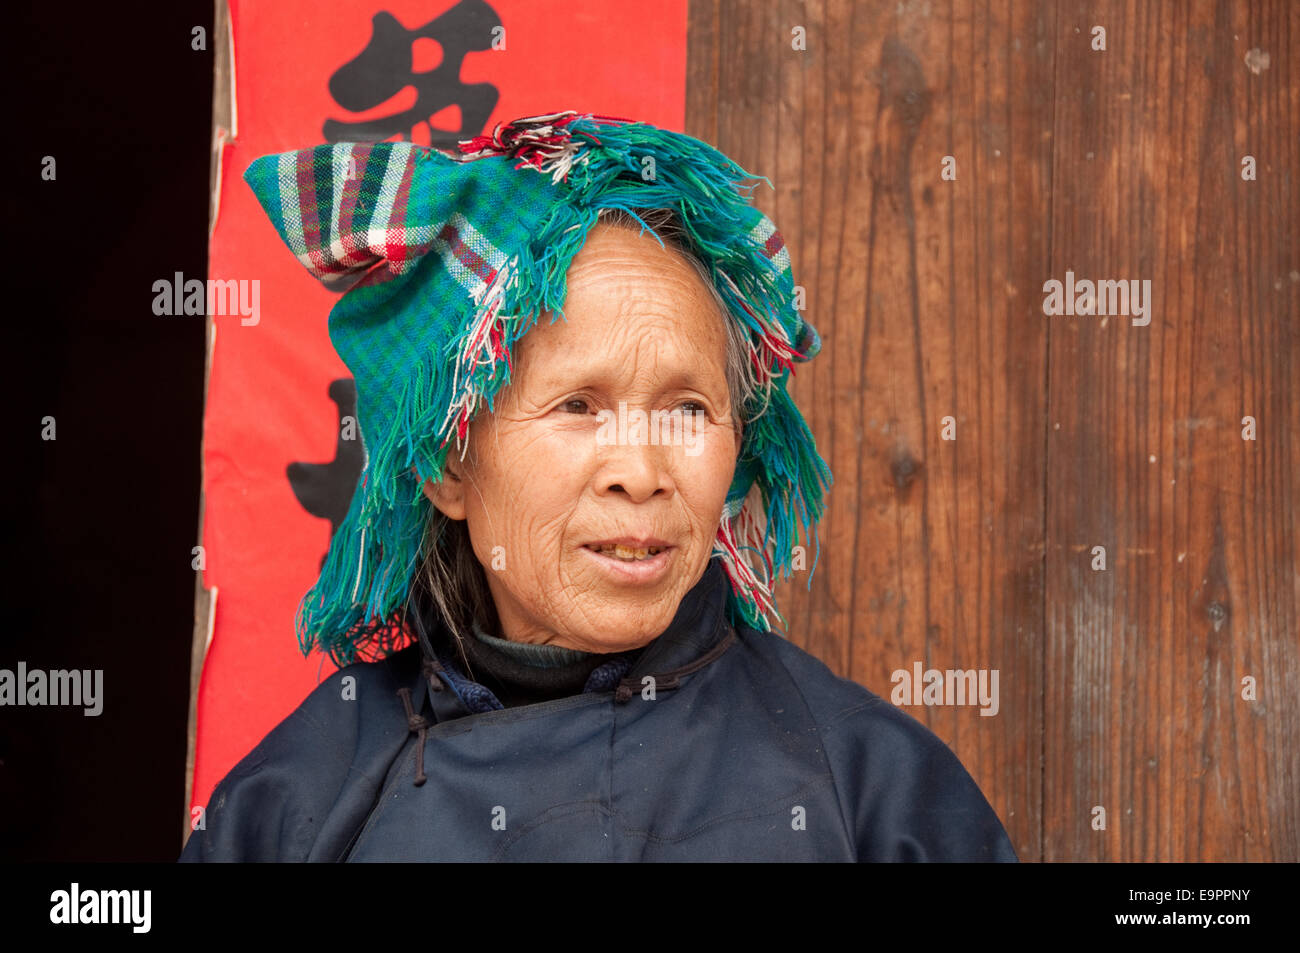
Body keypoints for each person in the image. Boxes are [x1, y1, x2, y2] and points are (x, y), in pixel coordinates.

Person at [180, 112, 1017, 862]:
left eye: (688, 409)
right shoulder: (296, 806)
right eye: (579, 405)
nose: (643, 473)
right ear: (445, 466)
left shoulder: (874, 792)